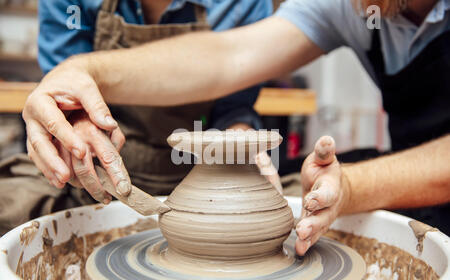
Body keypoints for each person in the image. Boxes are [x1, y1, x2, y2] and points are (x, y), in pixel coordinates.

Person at [22, 0, 450, 254]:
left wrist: (353, 187)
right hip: (108, 164)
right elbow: (227, 57)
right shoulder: (351, 6)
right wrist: (81, 71)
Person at [0, 0, 280, 235]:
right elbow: (65, 91)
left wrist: (237, 138)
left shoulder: (242, 4)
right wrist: (75, 122)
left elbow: (234, 104)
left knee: (303, 211)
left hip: (206, 183)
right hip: (97, 176)